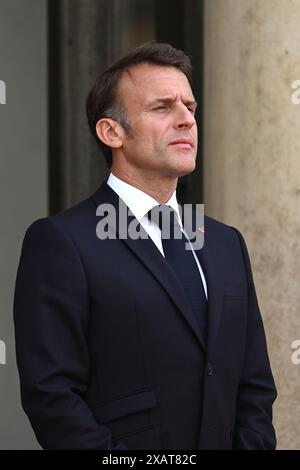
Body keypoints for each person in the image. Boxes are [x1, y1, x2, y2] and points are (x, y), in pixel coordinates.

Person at [13, 41, 277, 450]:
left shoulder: (226, 243)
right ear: (111, 131)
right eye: (162, 107)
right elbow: (53, 395)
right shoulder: (62, 242)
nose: (186, 120)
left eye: (190, 107)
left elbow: (254, 384)